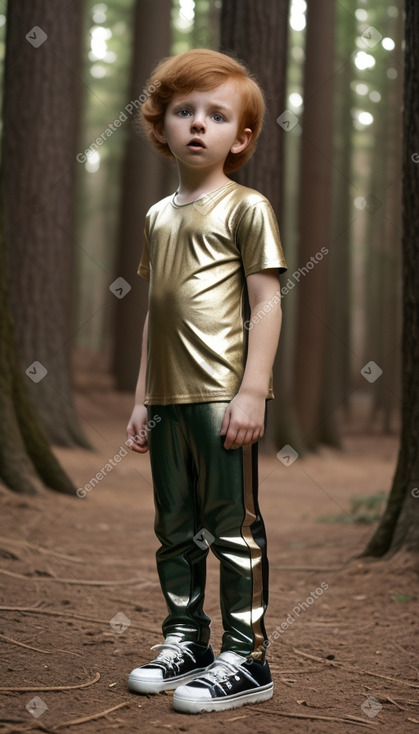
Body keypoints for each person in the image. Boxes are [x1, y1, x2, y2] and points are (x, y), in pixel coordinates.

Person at [126, 48, 287, 714]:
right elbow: (154, 314)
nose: (197, 124)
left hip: (223, 395)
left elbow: (267, 303)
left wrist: (252, 390)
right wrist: (140, 398)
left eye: (216, 115)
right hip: (166, 399)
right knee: (174, 525)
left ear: (241, 137)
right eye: (183, 111)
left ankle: (246, 656)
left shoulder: (247, 207)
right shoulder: (158, 217)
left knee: (231, 525)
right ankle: (186, 640)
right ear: (160, 125)